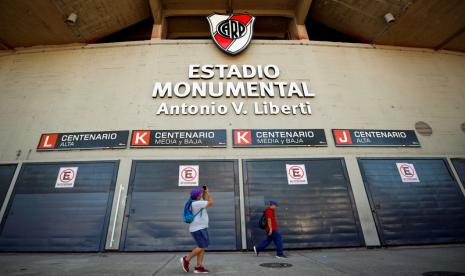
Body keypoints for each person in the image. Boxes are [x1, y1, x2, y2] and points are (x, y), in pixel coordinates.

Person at [181, 186, 214, 273]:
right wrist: (208, 192)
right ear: (197, 197)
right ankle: (186, 259)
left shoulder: (195, 201)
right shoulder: (197, 203)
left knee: (202, 247)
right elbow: (211, 202)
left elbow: (204, 200)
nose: (201, 195)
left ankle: (199, 267)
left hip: (200, 228)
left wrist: (203, 192)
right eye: (200, 194)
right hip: (198, 229)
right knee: (202, 246)